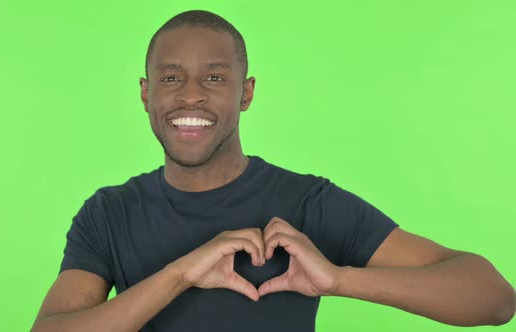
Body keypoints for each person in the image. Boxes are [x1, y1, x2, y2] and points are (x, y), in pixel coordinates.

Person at [31, 10, 515, 332]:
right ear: (145, 94)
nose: (191, 95)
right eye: (171, 78)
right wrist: (180, 273)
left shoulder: (308, 204)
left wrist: (339, 280)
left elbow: (493, 298)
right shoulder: (108, 213)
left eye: (215, 78)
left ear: (246, 93)